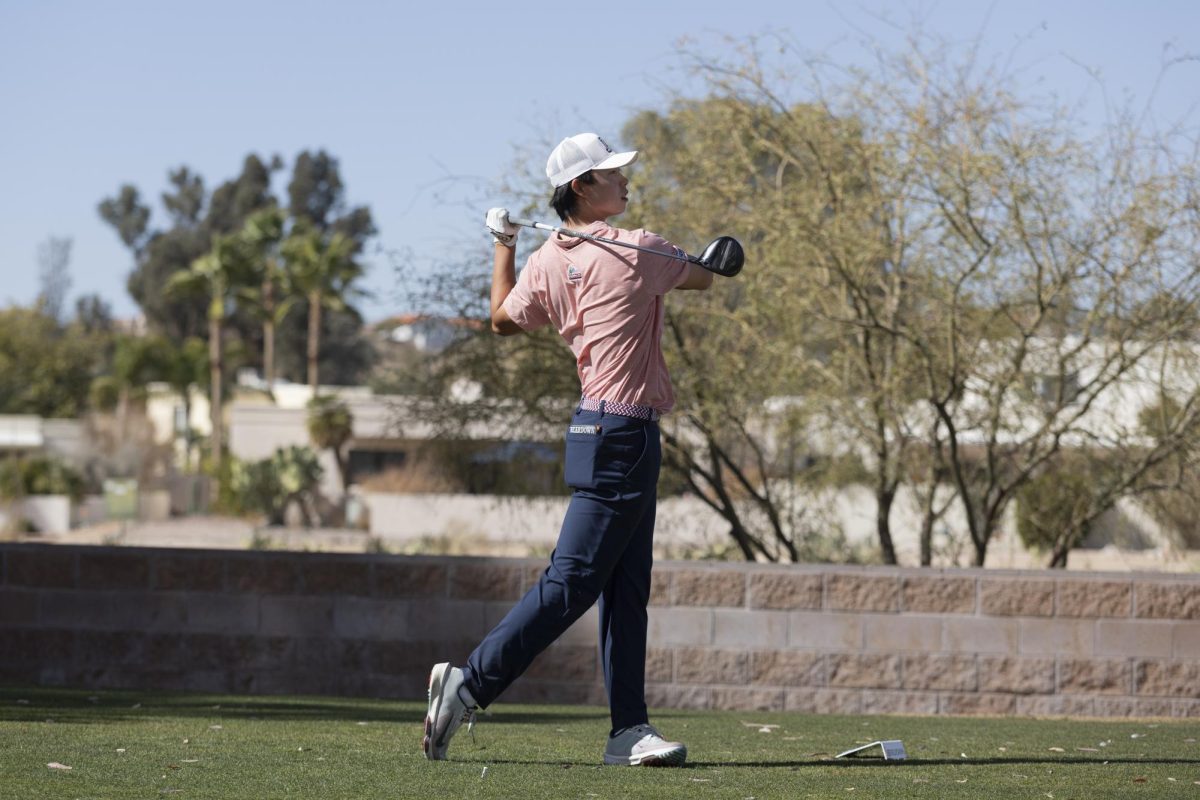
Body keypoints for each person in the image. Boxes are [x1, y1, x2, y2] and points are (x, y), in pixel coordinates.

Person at [423, 132, 718, 767]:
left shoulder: (548, 260)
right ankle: (469, 684)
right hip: (626, 438)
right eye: (611, 173)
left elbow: (501, 318)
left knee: (625, 589)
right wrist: (713, 258)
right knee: (573, 582)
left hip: (596, 430)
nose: (625, 179)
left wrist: (502, 243)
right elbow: (705, 278)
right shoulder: (639, 249)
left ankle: (628, 732)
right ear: (581, 187)